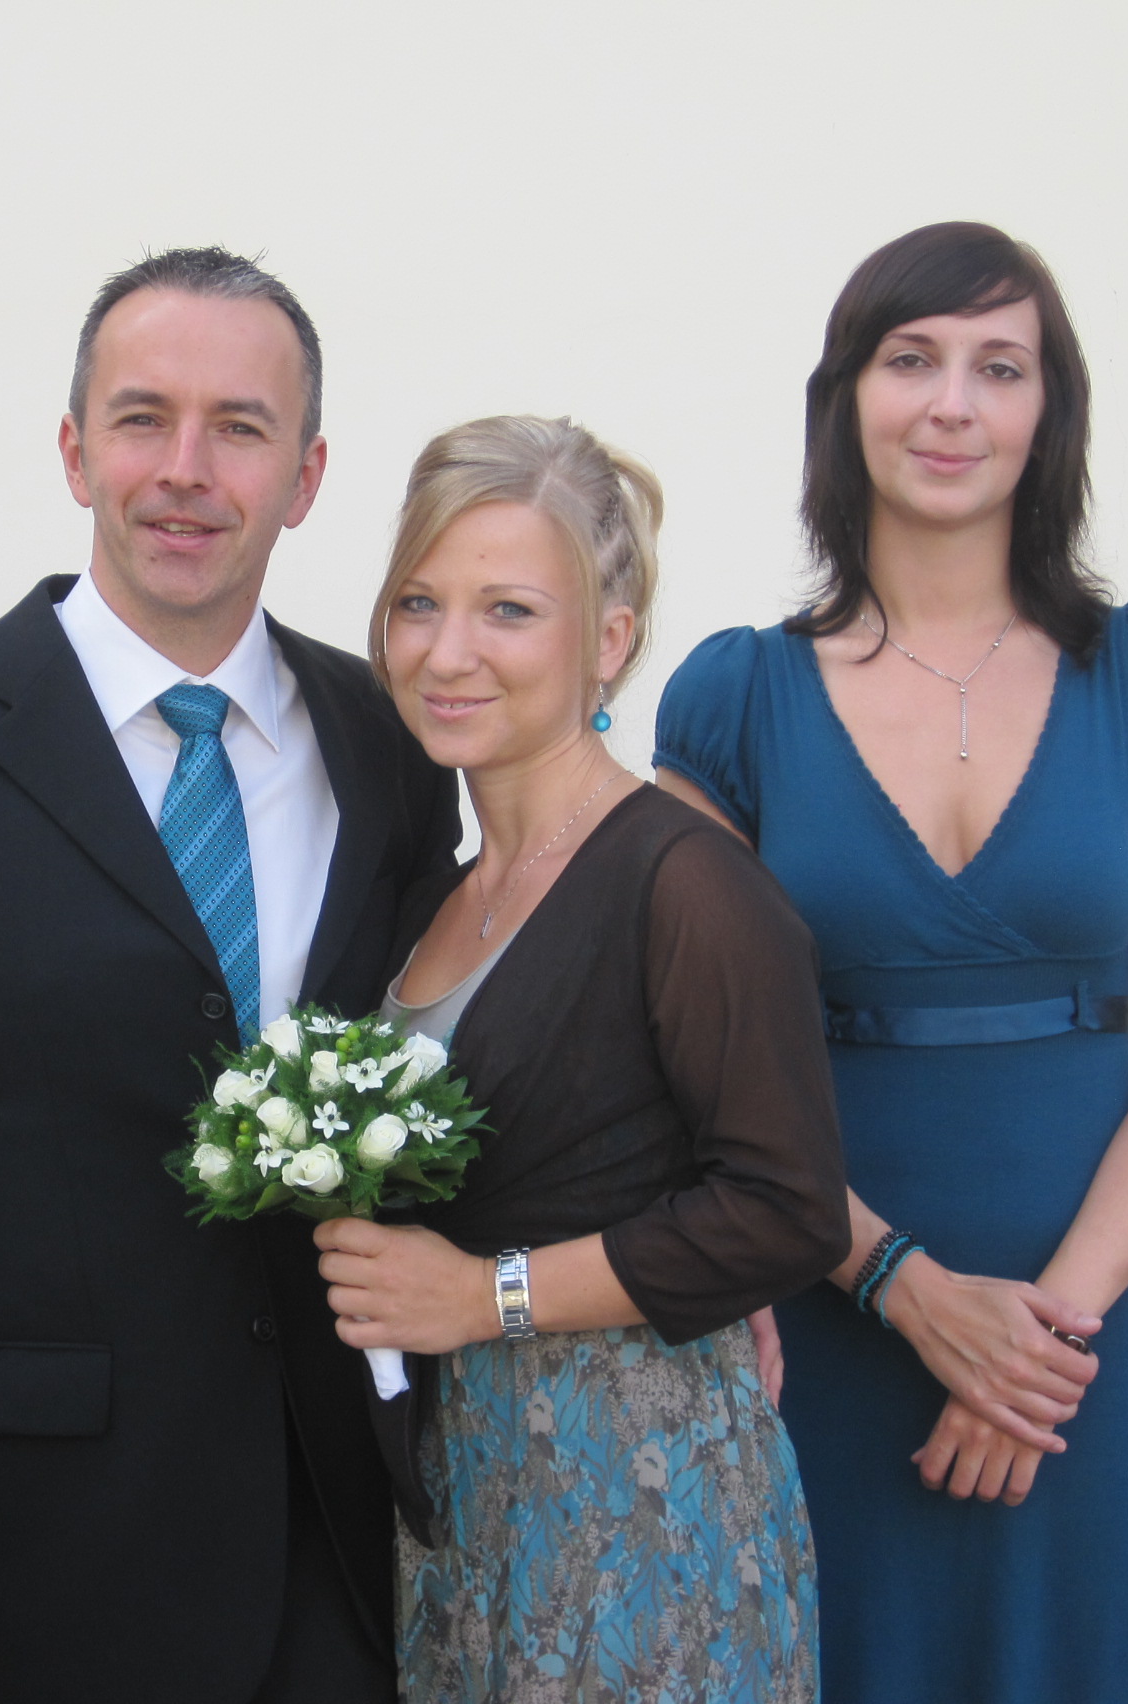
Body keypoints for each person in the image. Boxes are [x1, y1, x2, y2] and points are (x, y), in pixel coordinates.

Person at [0, 247, 462, 1704]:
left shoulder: (389, 742)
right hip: (23, 1539)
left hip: (331, 1518)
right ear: (76, 452)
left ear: (307, 476)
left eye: (240, 428)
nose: (186, 470)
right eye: (144, 419)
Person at [652, 222, 1128, 1703]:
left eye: (1001, 368)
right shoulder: (735, 696)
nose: (952, 405)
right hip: (831, 1324)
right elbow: (687, 1055)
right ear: (846, 397)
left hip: (1095, 1349)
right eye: (911, 359)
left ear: (1052, 413)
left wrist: (1040, 1348)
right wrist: (907, 1289)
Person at [313, 415, 850, 1703]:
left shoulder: (688, 884)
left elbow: (787, 1210)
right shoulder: (432, 898)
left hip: (643, 1510)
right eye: (418, 603)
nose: (448, 652)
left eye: (508, 610)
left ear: (610, 640)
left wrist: (483, 1296)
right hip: (467, 1510)